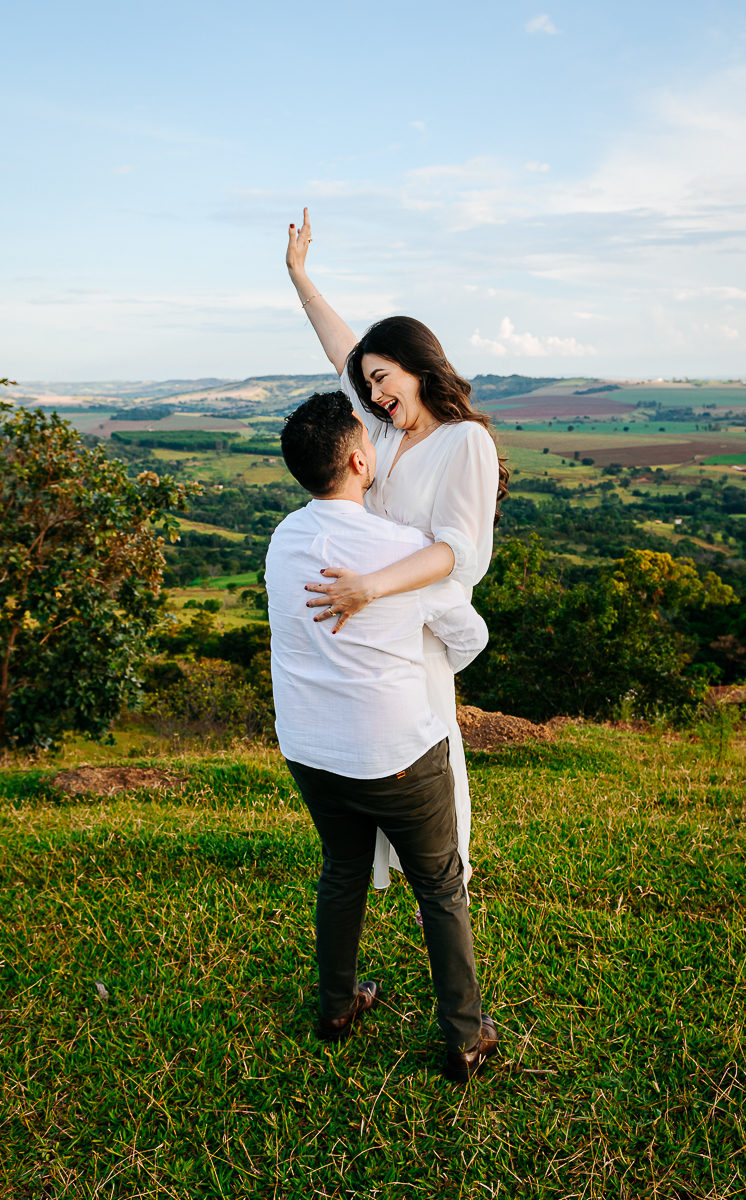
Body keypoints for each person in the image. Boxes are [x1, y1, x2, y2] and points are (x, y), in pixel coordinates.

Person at [265, 390, 499, 1081]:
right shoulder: (403, 550)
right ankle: (464, 1036)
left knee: (342, 871)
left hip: (309, 747)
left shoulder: (283, 540)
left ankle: (335, 1007)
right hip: (395, 753)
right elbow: (469, 636)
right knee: (440, 886)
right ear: (361, 459)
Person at [285, 208, 508, 899]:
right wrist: (299, 275)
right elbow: (340, 351)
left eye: (385, 379)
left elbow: (455, 553)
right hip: (371, 617)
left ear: (418, 367)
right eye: (371, 384)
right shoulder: (382, 429)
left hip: (410, 617)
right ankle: (381, 871)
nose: (375, 394)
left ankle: (442, 888)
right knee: (371, 752)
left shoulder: (464, 442)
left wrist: (372, 588)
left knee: (430, 750)